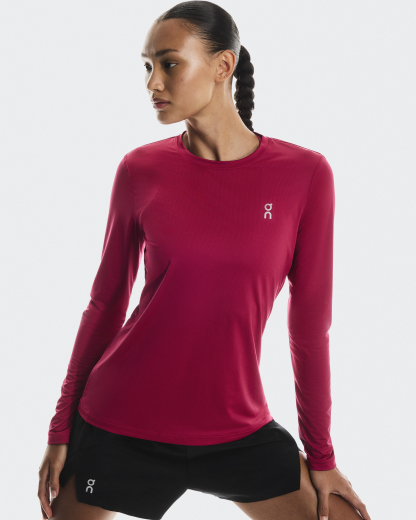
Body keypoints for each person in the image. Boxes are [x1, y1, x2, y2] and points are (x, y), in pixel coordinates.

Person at [38, 2, 371, 520]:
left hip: (237, 429)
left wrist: (322, 458)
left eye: (169, 63)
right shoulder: (140, 169)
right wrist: (60, 429)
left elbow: (309, 327)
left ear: (223, 66)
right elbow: (105, 304)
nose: (153, 82)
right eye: (147, 66)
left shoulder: (305, 175)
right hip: (122, 421)